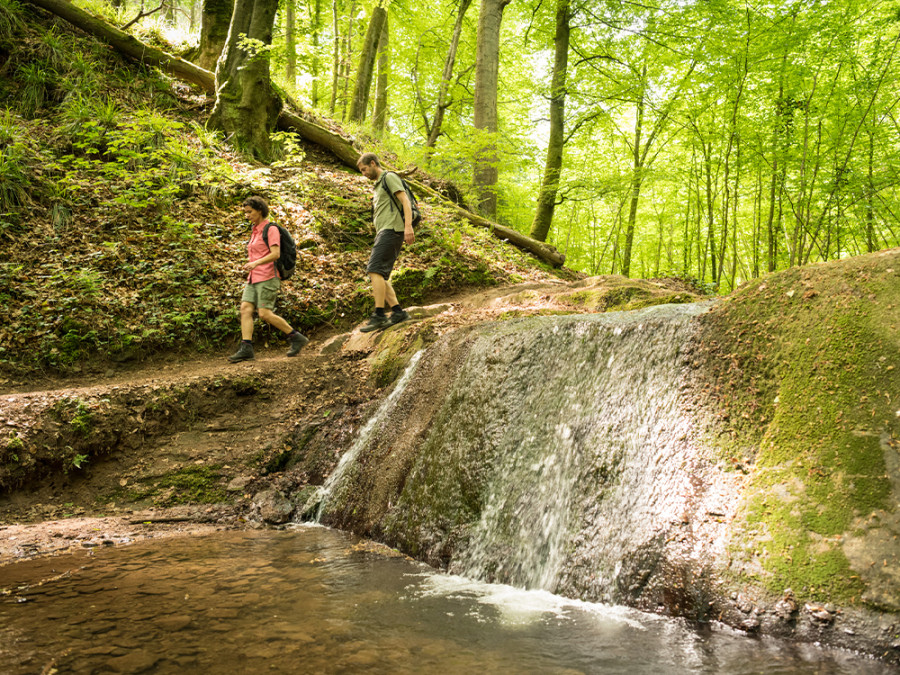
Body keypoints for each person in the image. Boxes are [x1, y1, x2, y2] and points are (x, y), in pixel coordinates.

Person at [228, 196, 308, 363]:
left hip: (268, 276)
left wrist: (255, 263)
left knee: (264, 313)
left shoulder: (270, 229)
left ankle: (296, 337)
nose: (247, 215)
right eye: (245, 212)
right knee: (245, 309)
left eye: (249, 212)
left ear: (260, 211)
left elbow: (275, 254)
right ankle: (246, 348)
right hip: (253, 277)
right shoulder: (254, 230)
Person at [356, 153, 414, 332]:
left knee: (374, 270)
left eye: (364, 169)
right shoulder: (378, 185)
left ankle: (379, 314)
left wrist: (408, 227)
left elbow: (405, 201)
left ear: (373, 163)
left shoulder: (389, 177)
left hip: (392, 229)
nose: (363, 173)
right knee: (380, 274)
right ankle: (397, 312)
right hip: (384, 231)